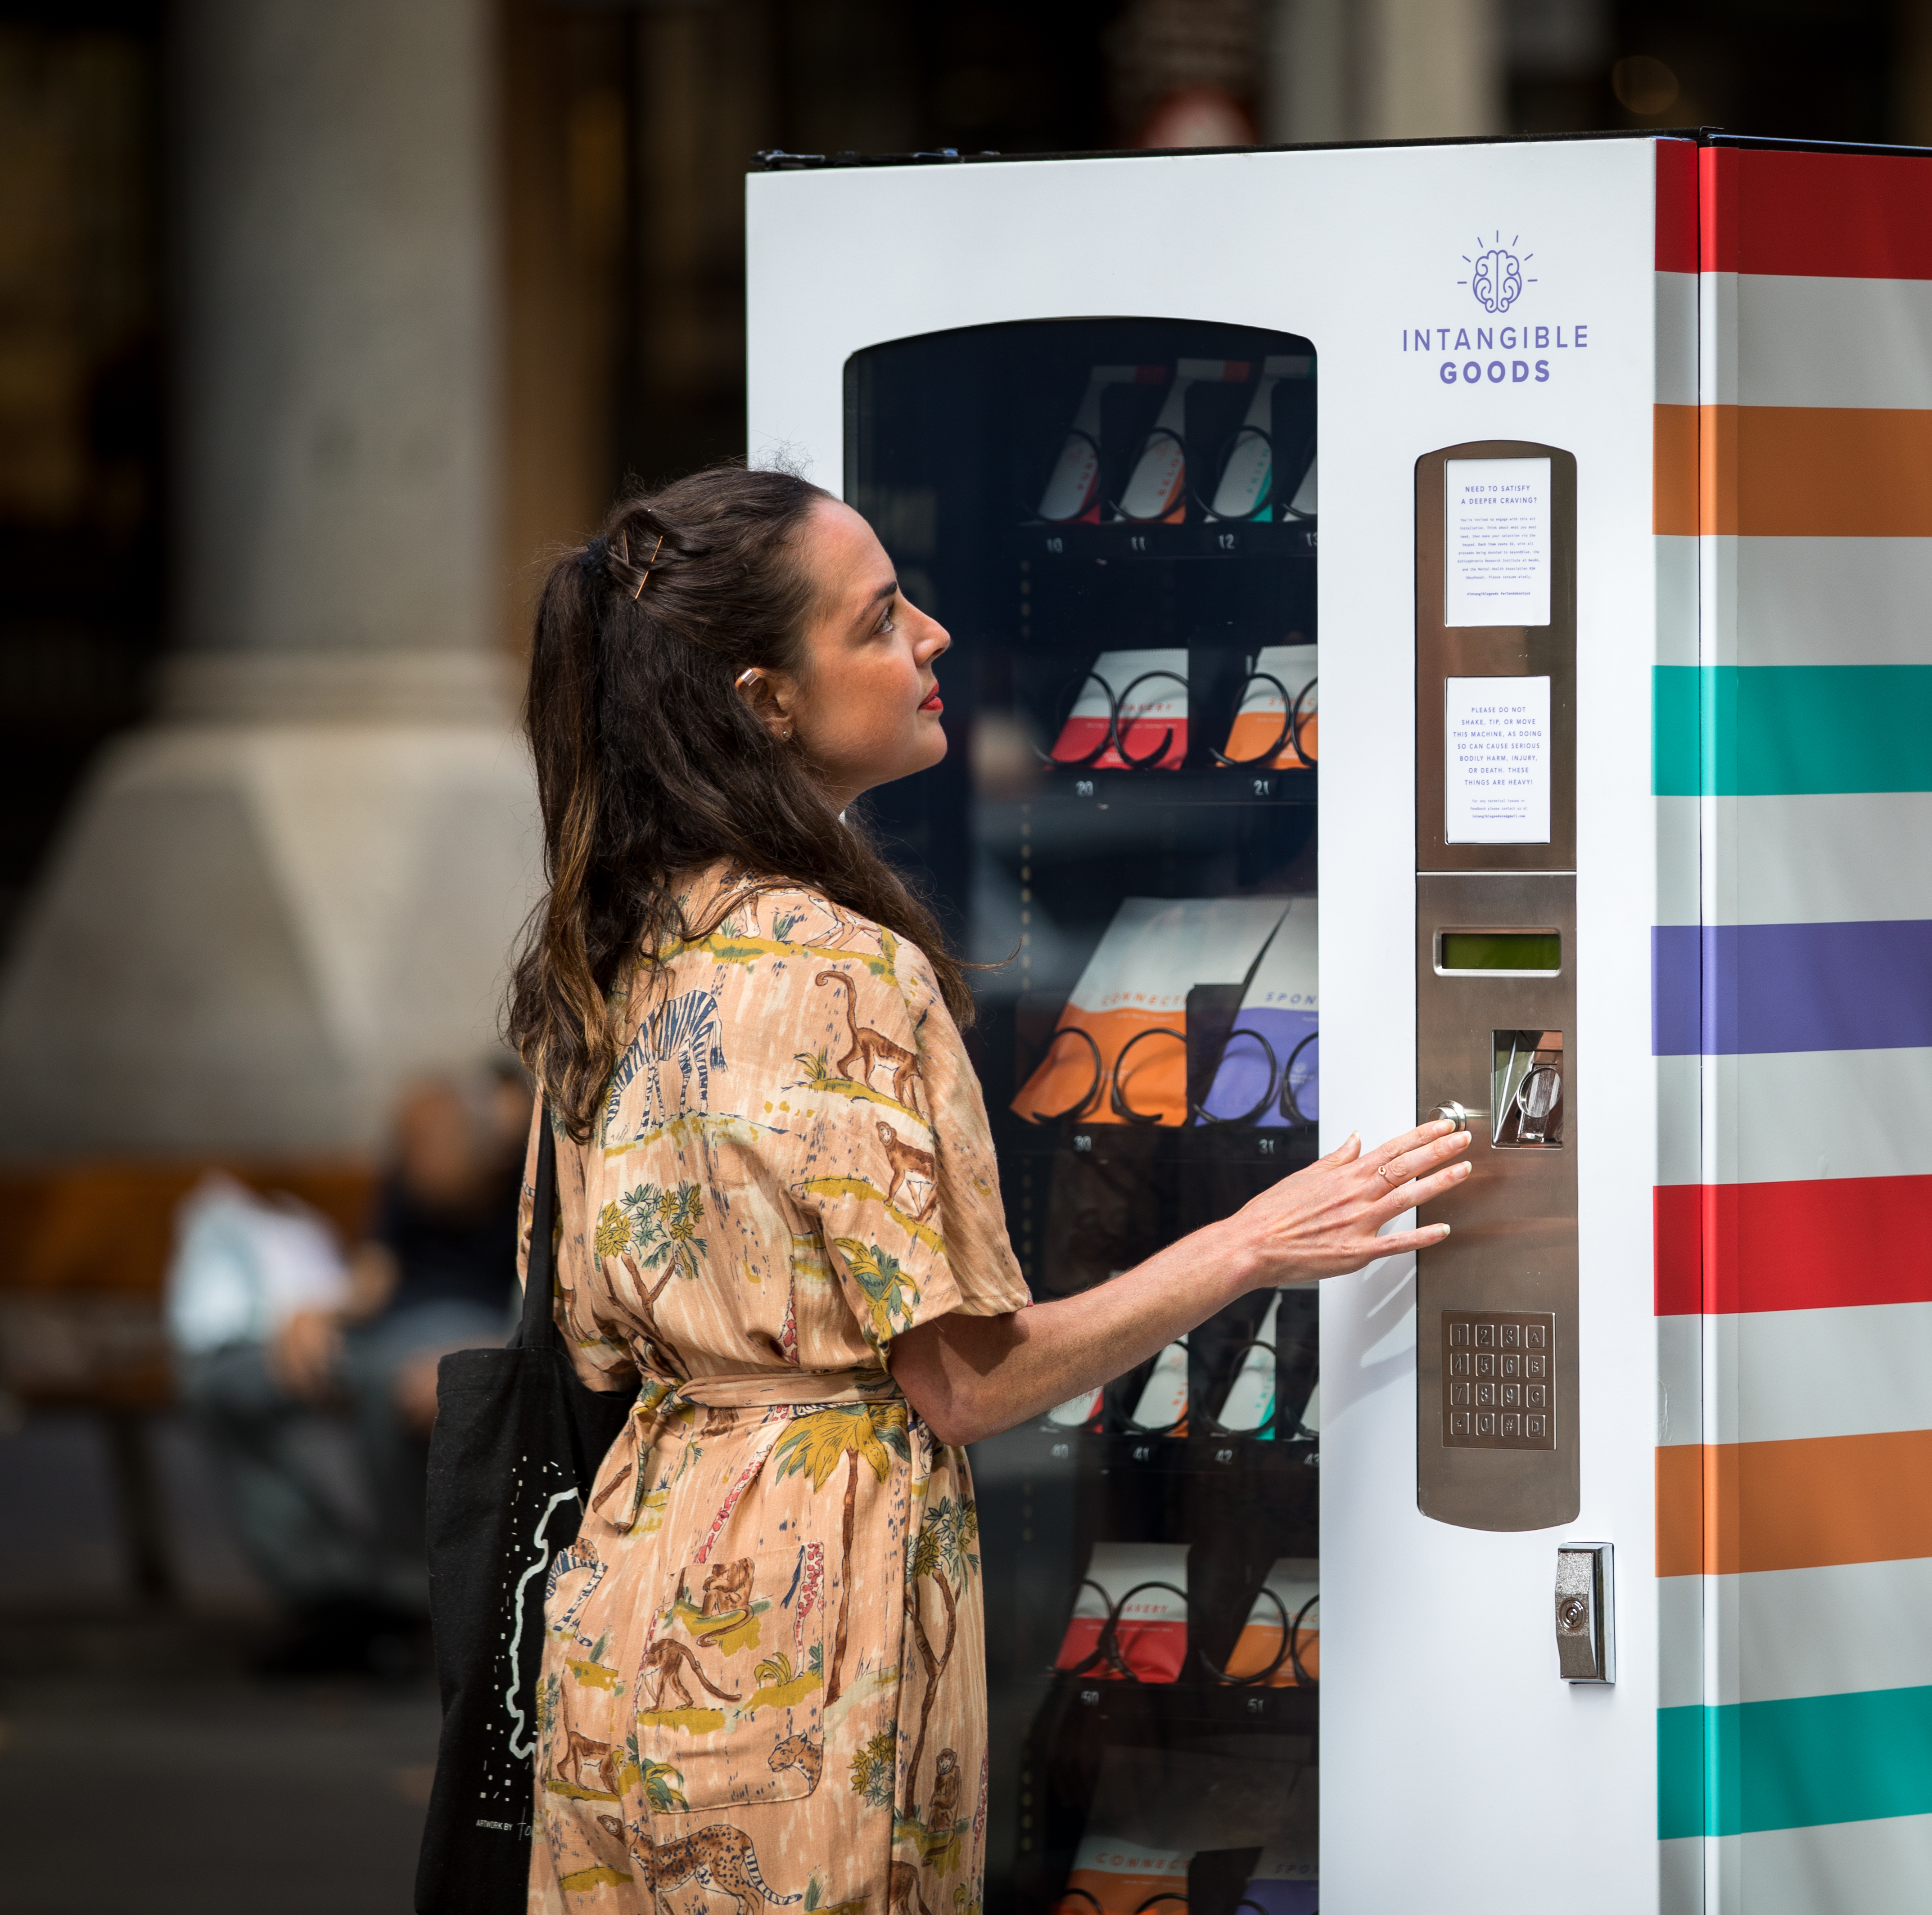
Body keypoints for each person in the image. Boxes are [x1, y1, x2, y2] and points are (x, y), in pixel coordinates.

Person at [501, 465, 1470, 1912]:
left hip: (626, 1603)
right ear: (768, 701)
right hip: (813, 1632)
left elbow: (580, 1329)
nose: (938, 637)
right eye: (884, 620)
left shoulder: (611, 949)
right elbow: (965, 1382)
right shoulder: (846, 970)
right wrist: (1252, 1244)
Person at [178, 1066, 527, 1673]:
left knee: (392, 1384)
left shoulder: (524, 1181)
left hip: (465, 1331)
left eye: (429, 1143)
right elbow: (374, 1278)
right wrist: (314, 1315)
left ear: (479, 1143)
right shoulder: (405, 1185)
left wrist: (489, 1355)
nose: (411, 1157)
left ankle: (405, 1597)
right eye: (405, 1142)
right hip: (387, 1334)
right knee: (224, 1384)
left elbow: (541, 1308)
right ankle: (327, 1587)